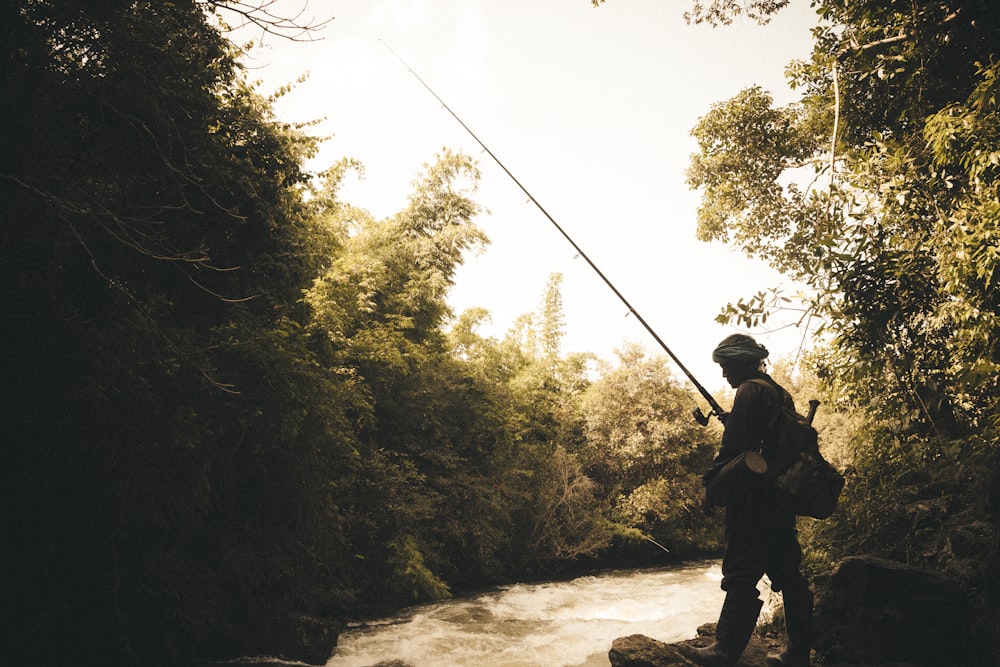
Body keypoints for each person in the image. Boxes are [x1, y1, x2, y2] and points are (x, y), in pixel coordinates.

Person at [677, 334, 814, 667]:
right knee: (789, 575)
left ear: (741, 361)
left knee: (739, 573)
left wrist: (712, 482)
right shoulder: (779, 393)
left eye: (726, 366)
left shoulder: (749, 391)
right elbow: (768, 440)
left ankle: (724, 650)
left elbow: (735, 446)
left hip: (752, 500)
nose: (724, 375)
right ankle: (797, 654)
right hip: (779, 500)